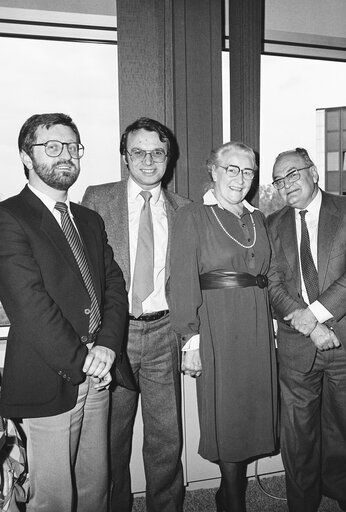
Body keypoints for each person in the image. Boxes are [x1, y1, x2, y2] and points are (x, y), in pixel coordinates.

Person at [0, 113, 128, 512]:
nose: (66, 155)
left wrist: (106, 346)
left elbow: (113, 287)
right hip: (52, 372)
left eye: (73, 147)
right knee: (53, 497)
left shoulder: (89, 219)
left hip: (99, 368)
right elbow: (29, 306)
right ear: (26, 155)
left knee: (94, 486)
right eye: (52, 146)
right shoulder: (8, 218)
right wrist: (85, 362)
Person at [267, 147, 346, 512]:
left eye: (293, 174)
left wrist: (313, 315)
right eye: (278, 179)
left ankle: (343, 491)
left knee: (342, 428)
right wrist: (307, 324)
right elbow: (271, 283)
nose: (286, 184)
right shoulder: (271, 225)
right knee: (297, 434)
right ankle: (301, 502)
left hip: (345, 339)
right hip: (296, 343)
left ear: (314, 172)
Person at [82, 117, 189, 512]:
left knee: (166, 438)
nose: (148, 160)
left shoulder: (185, 210)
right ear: (125, 157)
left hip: (164, 333)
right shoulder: (97, 198)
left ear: (168, 158)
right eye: (138, 152)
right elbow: (83, 269)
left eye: (157, 152)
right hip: (115, 335)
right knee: (110, 437)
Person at [169, 141, 278, 512]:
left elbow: (269, 274)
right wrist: (191, 341)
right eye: (232, 169)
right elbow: (181, 280)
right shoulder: (192, 217)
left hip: (257, 326)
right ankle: (232, 497)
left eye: (248, 171)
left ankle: (229, 491)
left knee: (251, 409)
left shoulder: (258, 218)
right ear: (212, 171)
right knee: (228, 414)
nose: (241, 178)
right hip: (217, 327)